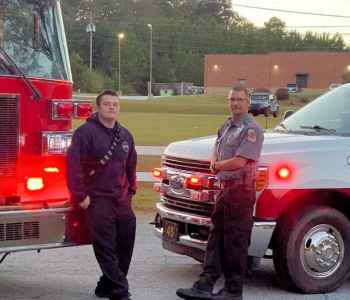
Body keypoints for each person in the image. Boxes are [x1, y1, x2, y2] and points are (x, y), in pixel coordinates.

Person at [176, 85, 264, 300]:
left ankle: (233, 291)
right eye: (232, 99)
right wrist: (215, 160)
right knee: (216, 238)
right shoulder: (226, 126)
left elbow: (240, 161)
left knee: (235, 241)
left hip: (241, 192)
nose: (235, 103)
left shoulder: (251, 130)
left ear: (248, 102)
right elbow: (216, 148)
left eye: (240, 99)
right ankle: (204, 284)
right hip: (225, 191)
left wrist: (216, 166)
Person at [66, 89, 137, 300]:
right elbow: (73, 166)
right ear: (99, 107)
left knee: (125, 244)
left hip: (121, 199)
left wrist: (130, 191)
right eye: (107, 104)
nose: (111, 107)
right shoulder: (85, 133)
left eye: (115, 104)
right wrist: (81, 197)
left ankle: (106, 285)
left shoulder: (125, 135)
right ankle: (119, 291)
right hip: (96, 199)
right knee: (106, 247)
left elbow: (131, 166)